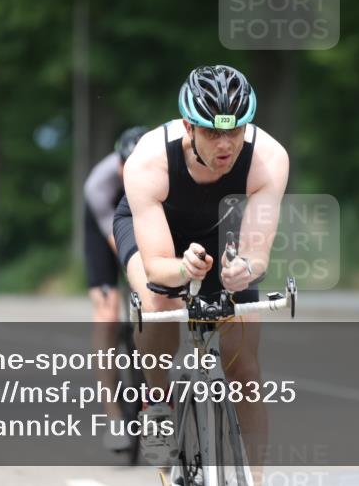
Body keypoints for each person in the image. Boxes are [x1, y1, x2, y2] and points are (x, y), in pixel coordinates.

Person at [113, 65, 289, 474]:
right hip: (159, 232)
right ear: (188, 127)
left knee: (243, 366)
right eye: (212, 132)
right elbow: (158, 265)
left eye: (235, 131)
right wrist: (183, 269)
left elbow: (256, 254)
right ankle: (157, 402)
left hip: (222, 231)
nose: (226, 144)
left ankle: (254, 480)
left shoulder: (269, 158)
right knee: (158, 302)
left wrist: (243, 270)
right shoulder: (147, 162)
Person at [82, 125, 148, 451]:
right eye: (125, 164)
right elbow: (118, 242)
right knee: (106, 312)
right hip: (105, 230)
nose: (129, 171)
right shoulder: (99, 183)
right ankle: (113, 417)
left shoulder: (161, 173)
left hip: (147, 214)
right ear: (118, 162)